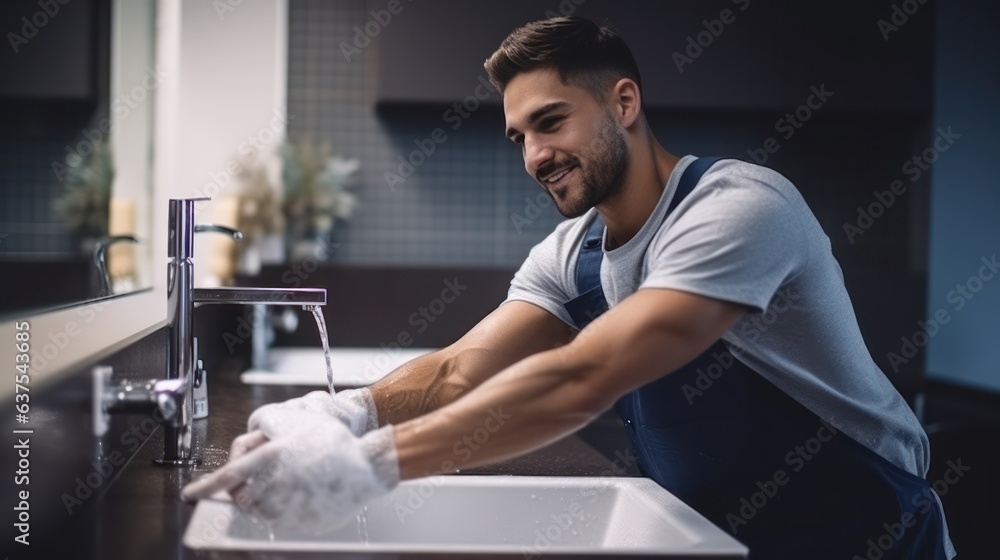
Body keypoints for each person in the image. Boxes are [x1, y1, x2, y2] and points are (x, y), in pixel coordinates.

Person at [183, 16, 955, 559]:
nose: (534, 156)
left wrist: (368, 465)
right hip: (723, 537)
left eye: (552, 122)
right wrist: (341, 413)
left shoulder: (741, 209)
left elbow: (586, 376)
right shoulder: (573, 251)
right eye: (520, 135)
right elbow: (457, 371)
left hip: (868, 538)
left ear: (623, 102)